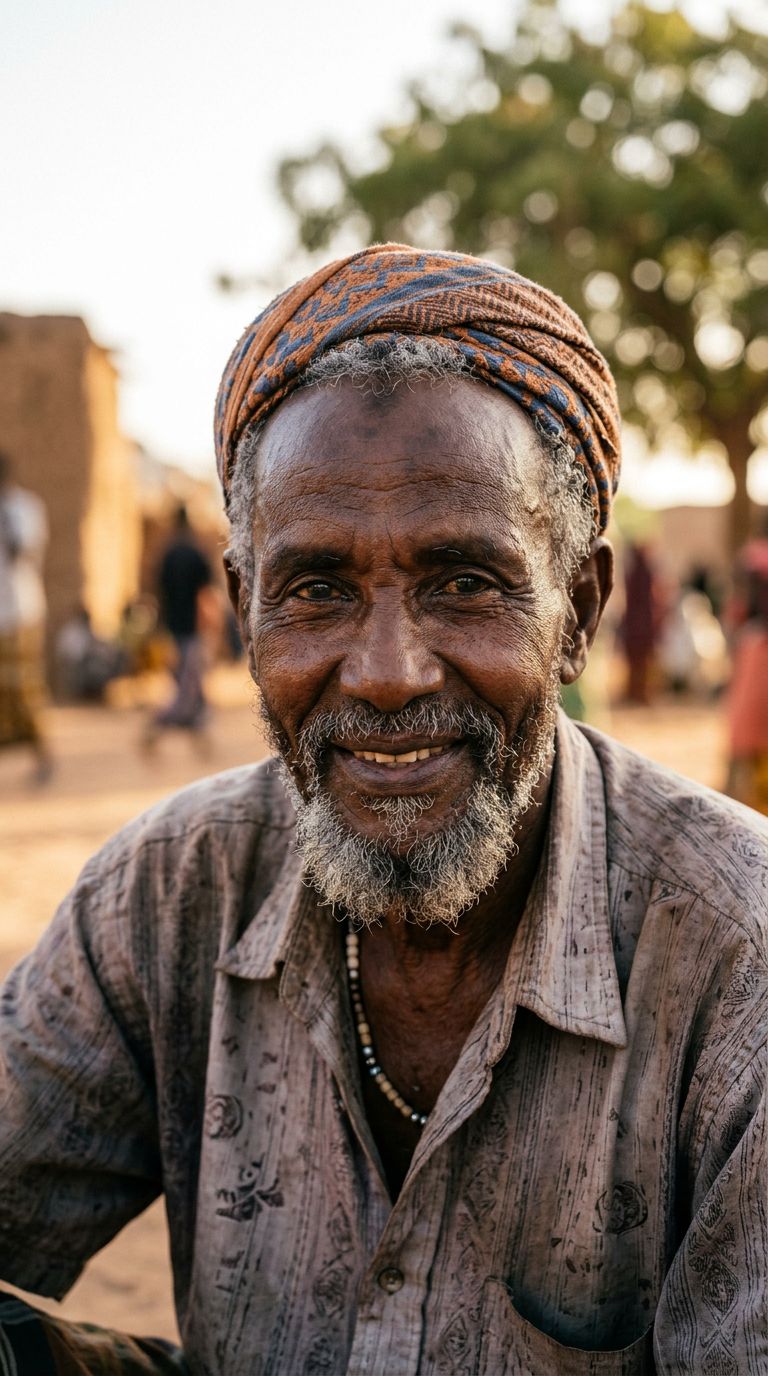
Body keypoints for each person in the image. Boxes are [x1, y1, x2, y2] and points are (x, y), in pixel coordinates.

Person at [0, 246, 765, 1375]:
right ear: (240, 609)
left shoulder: (737, 954)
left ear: (578, 608)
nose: (388, 671)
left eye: (464, 580)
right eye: (316, 589)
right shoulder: (168, 889)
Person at [0, 451, 53, 782]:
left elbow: (26, 549)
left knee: (24, 687)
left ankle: (42, 755)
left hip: (20, 611)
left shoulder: (24, 508)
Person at [143, 505, 213, 749]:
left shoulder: (169, 554)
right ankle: (159, 725)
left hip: (173, 626)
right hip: (192, 627)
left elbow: (158, 593)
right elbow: (205, 595)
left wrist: (160, 626)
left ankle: (199, 737)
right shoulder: (195, 553)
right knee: (189, 683)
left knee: (190, 681)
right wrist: (209, 625)